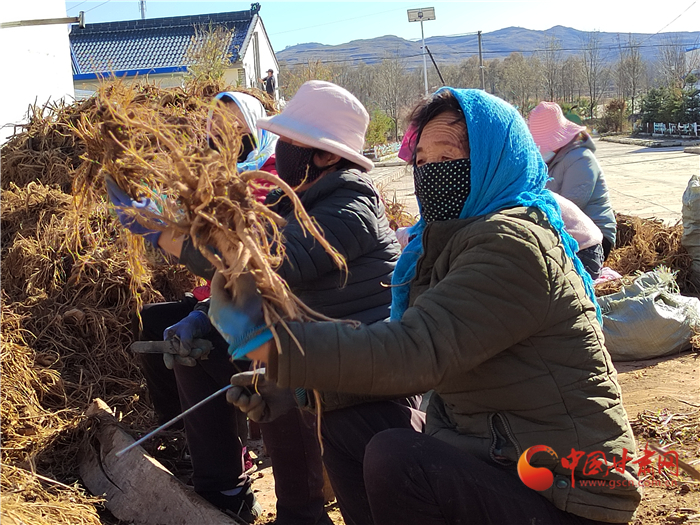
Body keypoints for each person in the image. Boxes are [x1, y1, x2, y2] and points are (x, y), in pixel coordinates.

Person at [211, 88, 642, 525]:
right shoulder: (443, 244)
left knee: (398, 457)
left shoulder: (513, 244)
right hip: (492, 451)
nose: (432, 172)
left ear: (498, 157)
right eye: (422, 161)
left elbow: (416, 351)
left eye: (448, 157)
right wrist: (298, 389)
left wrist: (274, 347)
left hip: (566, 491)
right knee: (347, 425)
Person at [109, 91, 331, 525]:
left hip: (280, 318)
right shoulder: (216, 181)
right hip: (235, 301)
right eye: (215, 125)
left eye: (233, 125)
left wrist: (168, 239)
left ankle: (229, 478)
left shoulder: (274, 183)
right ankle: (198, 455)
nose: (221, 134)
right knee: (162, 326)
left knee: (206, 348)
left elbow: (251, 263)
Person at [528, 101, 617, 259]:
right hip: (565, 232)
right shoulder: (549, 160)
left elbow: (570, 206)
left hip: (594, 239)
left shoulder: (581, 159)